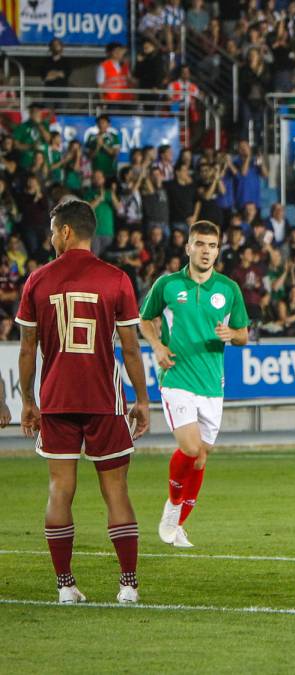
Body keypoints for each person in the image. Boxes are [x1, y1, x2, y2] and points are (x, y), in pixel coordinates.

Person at [15, 199, 151, 603]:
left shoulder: (38, 280)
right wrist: (142, 399)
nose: (51, 237)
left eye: (54, 230)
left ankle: (65, 586)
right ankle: (128, 586)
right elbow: (130, 349)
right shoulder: (116, 279)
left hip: (56, 399)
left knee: (60, 489)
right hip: (104, 399)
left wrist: (27, 400)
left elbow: (26, 350)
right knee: (116, 491)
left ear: (67, 232)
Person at [140, 221, 249, 548]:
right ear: (188, 247)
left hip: (212, 383)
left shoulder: (229, 289)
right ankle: (172, 508)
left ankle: (180, 525)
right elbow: (145, 320)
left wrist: (232, 336)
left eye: (212, 246)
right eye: (200, 244)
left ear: (218, 250)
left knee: (200, 458)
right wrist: (158, 346)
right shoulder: (168, 284)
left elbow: (243, 333)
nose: (206, 251)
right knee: (190, 448)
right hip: (177, 376)